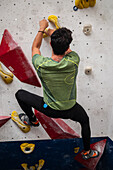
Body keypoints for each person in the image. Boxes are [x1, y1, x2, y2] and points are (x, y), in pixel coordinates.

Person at [15, 19, 99, 159]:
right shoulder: (73, 60)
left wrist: (43, 28)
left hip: (49, 108)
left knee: (20, 94)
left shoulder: (40, 64)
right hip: (71, 109)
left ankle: (33, 120)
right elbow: (68, 50)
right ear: (67, 48)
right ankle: (87, 152)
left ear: (50, 45)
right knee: (84, 121)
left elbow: (35, 47)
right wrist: (56, 35)